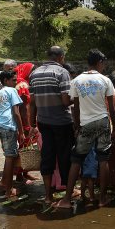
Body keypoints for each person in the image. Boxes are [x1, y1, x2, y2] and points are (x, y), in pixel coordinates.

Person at [54, 49, 115, 208]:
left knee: (76, 160)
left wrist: (77, 125)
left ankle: (67, 199)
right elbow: (111, 107)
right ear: (100, 62)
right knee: (103, 159)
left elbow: (75, 106)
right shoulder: (105, 80)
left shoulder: (77, 81)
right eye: (104, 63)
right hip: (102, 122)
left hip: (86, 123)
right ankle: (102, 199)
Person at [29, 46, 75, 204]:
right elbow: (65, 101)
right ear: (61, 57)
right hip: (62, 122)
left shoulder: (34, 74)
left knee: (47, 157)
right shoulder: (62, 73)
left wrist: (31, 123)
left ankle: (48, 196)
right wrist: (76, 98)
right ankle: (69, 192)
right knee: (65, 157)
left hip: (43, 121)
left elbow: (32, 103)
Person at [0, 71, 24, 197]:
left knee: (8, 156)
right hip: (7, 127)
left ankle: (4, 183)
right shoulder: (11, 91)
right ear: (6, 80)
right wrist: (21, 131)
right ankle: (8, 190)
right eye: (13, 80)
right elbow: (16, 113)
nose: (15, 82)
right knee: (10, 157)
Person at [13, 62, 39, 183]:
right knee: (24, 147)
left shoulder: (17, 82)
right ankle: (20, 176)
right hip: (24, 121)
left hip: (20, 121)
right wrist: (27, 125)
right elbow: (22, 108)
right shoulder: (22, 84)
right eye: (32, 71)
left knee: (24, 147)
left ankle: (24, 173)